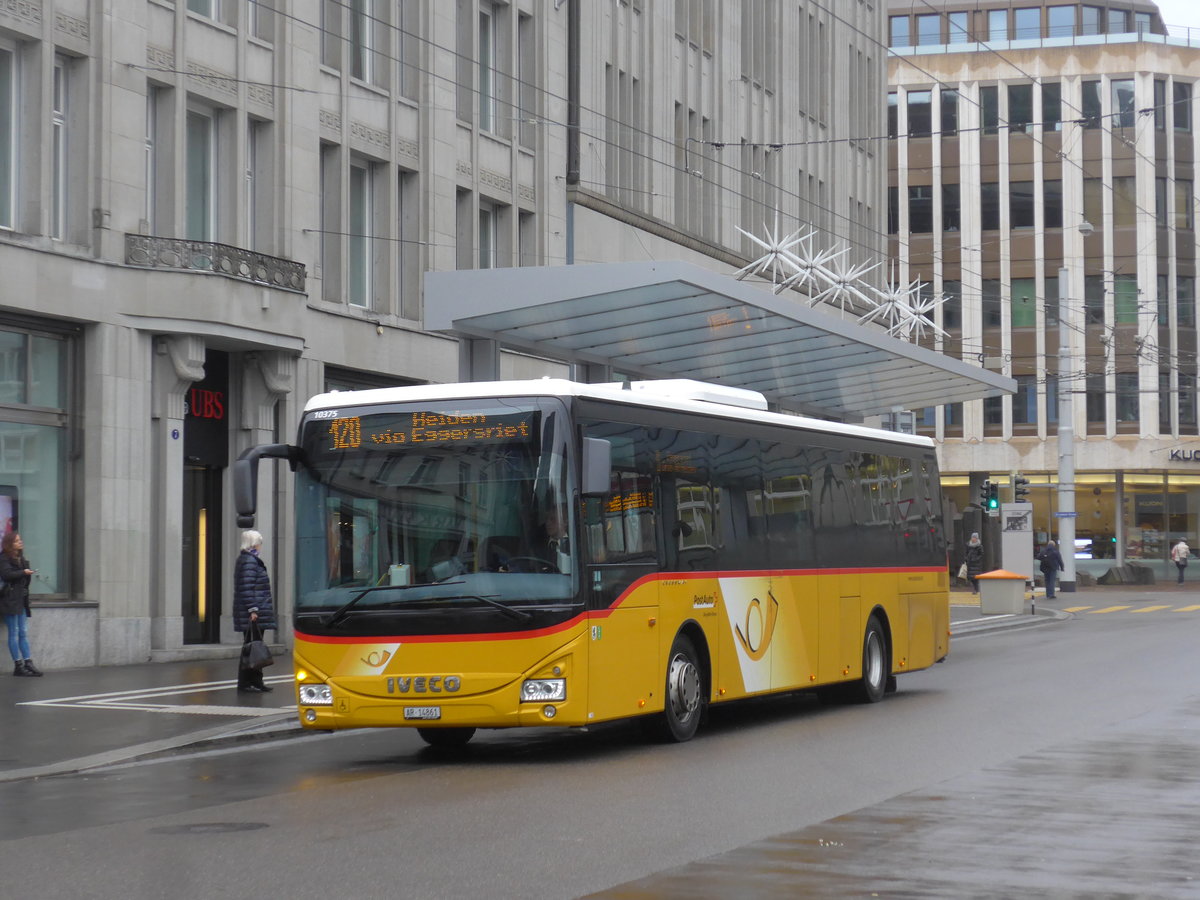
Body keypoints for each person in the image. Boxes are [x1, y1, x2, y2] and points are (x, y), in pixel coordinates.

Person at [234, 530, 277, 693]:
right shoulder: (250, 561)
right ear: (253, 544)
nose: (260, 545)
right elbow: (247, 587)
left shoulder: (247, 560)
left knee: (252, 647)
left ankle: (252, 681)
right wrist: (253, 609)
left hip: (255, 611)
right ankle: (250, 682)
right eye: (259, 542)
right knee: (253, 647)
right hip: (254, 612)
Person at [0, 532, 41, 676]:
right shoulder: (4, 558)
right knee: (14, 632)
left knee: (23, 632)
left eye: (20, 540)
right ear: (10, 543)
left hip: (21, 600)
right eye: (17, 541)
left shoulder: (21, 558)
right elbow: (7, 575)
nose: (20, 542)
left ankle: (28, 662)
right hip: (9, 601)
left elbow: (24, 580)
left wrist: (25, 572)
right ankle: (18, 665)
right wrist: (23, 572)